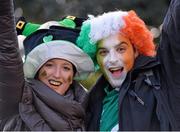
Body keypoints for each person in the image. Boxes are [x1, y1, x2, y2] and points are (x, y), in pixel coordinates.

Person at [76, 0, 180, 131]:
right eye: (103, 52)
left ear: (136, 50)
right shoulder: (91, 101)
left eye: (120, 49)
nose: (112, 59)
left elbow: (175, 36)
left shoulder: (162, 80)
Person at [0, 0, 94, 131]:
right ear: (37, 69)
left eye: (66, 67)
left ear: (73, 75)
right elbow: (7, 52)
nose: (57, 74)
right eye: (49, 65)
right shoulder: (17, 96)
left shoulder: (93, 109)